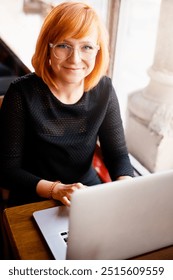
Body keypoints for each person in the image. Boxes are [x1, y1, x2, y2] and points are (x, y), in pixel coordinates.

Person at [0, 1, 134, 207]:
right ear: (47, 48)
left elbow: (117, 156)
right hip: (35, 196)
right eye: (64, 45)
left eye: (87, 47)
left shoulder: (104, 89)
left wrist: (127, 189)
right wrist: (56, 189)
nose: (75, 59)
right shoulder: (21, 93)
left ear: (98, 51)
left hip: (86, 192)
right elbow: (7, 171)